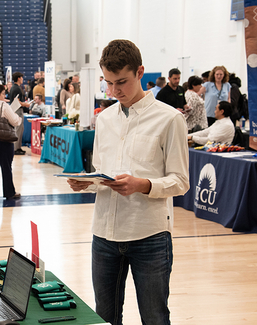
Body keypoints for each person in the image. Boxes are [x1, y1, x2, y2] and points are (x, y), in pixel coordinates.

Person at [68, 39, 189, 325]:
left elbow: (181, 181)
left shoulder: (170, 119)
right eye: (108, 83)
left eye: (121, 82)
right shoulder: (105, 119)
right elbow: (102, 171)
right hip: (104, 235)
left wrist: (143, 184)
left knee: (154, 318)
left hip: (149, 235)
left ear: (140, 72)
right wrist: (88, 182)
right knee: (104, 317)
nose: (114, 91)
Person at [0, 84, 22, 200]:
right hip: (4, 141)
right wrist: (19, 119)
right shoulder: (3, 105)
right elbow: (14, 121)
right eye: (3, 93)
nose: (4, 96)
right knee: (6, 167)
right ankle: (9, 192)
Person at [9, 72, 30, 155]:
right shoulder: (16, 88)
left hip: (17, 110)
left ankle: (18, 147)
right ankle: (15, 148)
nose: (22, 79)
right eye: (21, 78)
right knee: (18, 129)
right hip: (17, 110)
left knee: (20, 129)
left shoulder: (15, 87)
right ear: (18, 78)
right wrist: (26, 104)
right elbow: (16, 101)